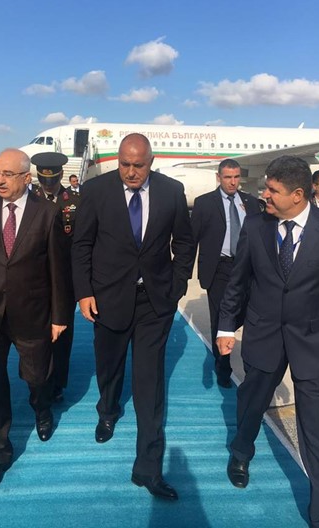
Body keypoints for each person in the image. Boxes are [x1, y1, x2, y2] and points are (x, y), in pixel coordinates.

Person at [217, 155, 319, 528]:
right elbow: (237, 282)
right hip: (263, 334)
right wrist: (225, 327)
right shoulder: (255, 226)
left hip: (313, 342)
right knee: (251, 404)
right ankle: (241, 451)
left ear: (298, 195)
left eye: (272, 190)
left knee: (317, 429)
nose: (264, 194)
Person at [72, 133, 195, 501]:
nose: (130, 172)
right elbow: (81, 244)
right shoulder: (96, 191)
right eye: (124, 164)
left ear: (151, 162)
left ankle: (148, 467)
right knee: (108, 366)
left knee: (149, 382)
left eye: (138, 165)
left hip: (154, 302)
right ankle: (107, 409)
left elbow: (184, 242)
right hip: (108, 298)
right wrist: (84, 292)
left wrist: (177, 285)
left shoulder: (172, 191)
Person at [0, 148, 73, 492]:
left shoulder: (47, 214)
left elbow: (58, 270)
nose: (0, 180)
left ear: (26, 177)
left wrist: (59, 316)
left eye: (8, 174)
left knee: (37, 376)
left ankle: (41, 408)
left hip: (33, 313)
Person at [191, 159, 261, 388]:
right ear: (218, 177)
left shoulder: (250, 203)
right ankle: (223, 367)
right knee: (220, 318)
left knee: (250, 315)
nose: (232, 182)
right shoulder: (204, 203)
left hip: (246, 268)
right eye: (228, 177)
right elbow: (192, 239)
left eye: (236, 177)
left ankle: (250, 362)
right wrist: (182, 274)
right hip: (219, 268)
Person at [30, 152, 75, 402]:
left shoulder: (75, 201)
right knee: (36, 336)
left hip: (65, 280)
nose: (48, 185)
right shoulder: (29, 200)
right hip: (34, 280)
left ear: (60, 176)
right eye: (43, 180)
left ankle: (58, 383)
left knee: (63, 336)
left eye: (53, 180)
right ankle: (39, 382)